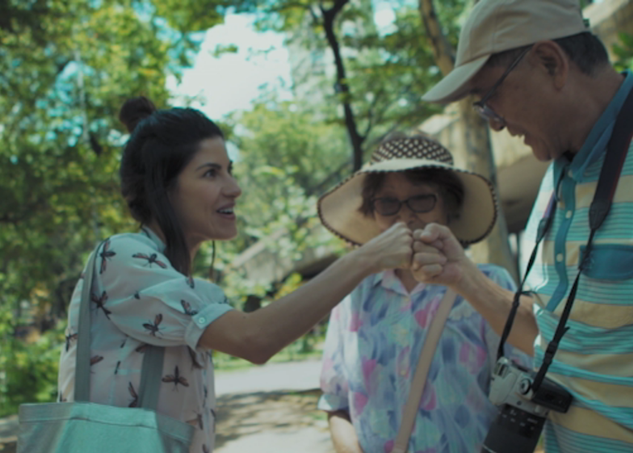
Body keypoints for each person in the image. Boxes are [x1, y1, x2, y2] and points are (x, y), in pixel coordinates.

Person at [56, 97, 414, 453]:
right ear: (162, 188)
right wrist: (368, 258)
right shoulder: (121, 257)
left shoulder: (183, 284)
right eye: (211, 173)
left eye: (230, 169)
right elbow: (254, 338)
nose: (234, 187)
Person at [415, 0, 633, 451]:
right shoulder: (557, 173)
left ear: (549, 62)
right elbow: (551, 332)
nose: (494, 123)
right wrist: (462, 275)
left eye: (489, 97)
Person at [316, 135, 531, 453]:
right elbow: (335, 403)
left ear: (449, 205)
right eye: (387, 203)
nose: (404, 217)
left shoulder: (487, 284)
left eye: (421, 199)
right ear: (373, 212)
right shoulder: (354, 296)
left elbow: (522, 400)